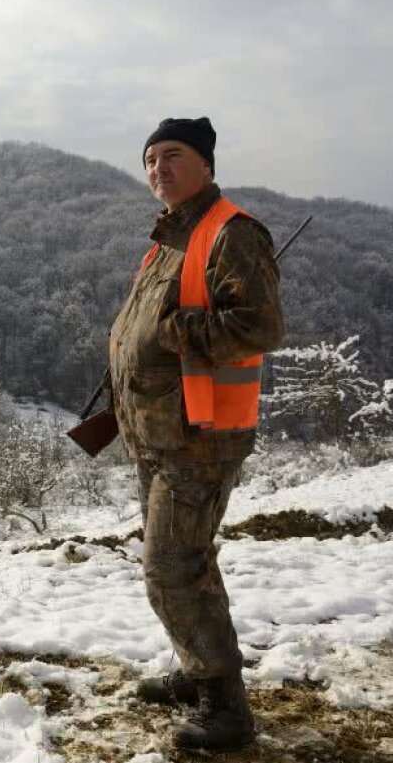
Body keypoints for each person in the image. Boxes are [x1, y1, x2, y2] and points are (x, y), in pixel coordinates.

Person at [107, 117, 284, 751]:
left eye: (172, 156)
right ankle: (198, 671)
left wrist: (181, 331)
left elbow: (260, 324)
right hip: (160, 434)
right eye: (150, 160)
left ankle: (225, 711)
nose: (159, 168)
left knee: (171, 570)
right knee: (186, 565)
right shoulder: (170, 240)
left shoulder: (230, 233)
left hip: (201, 438)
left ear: (205, 163)